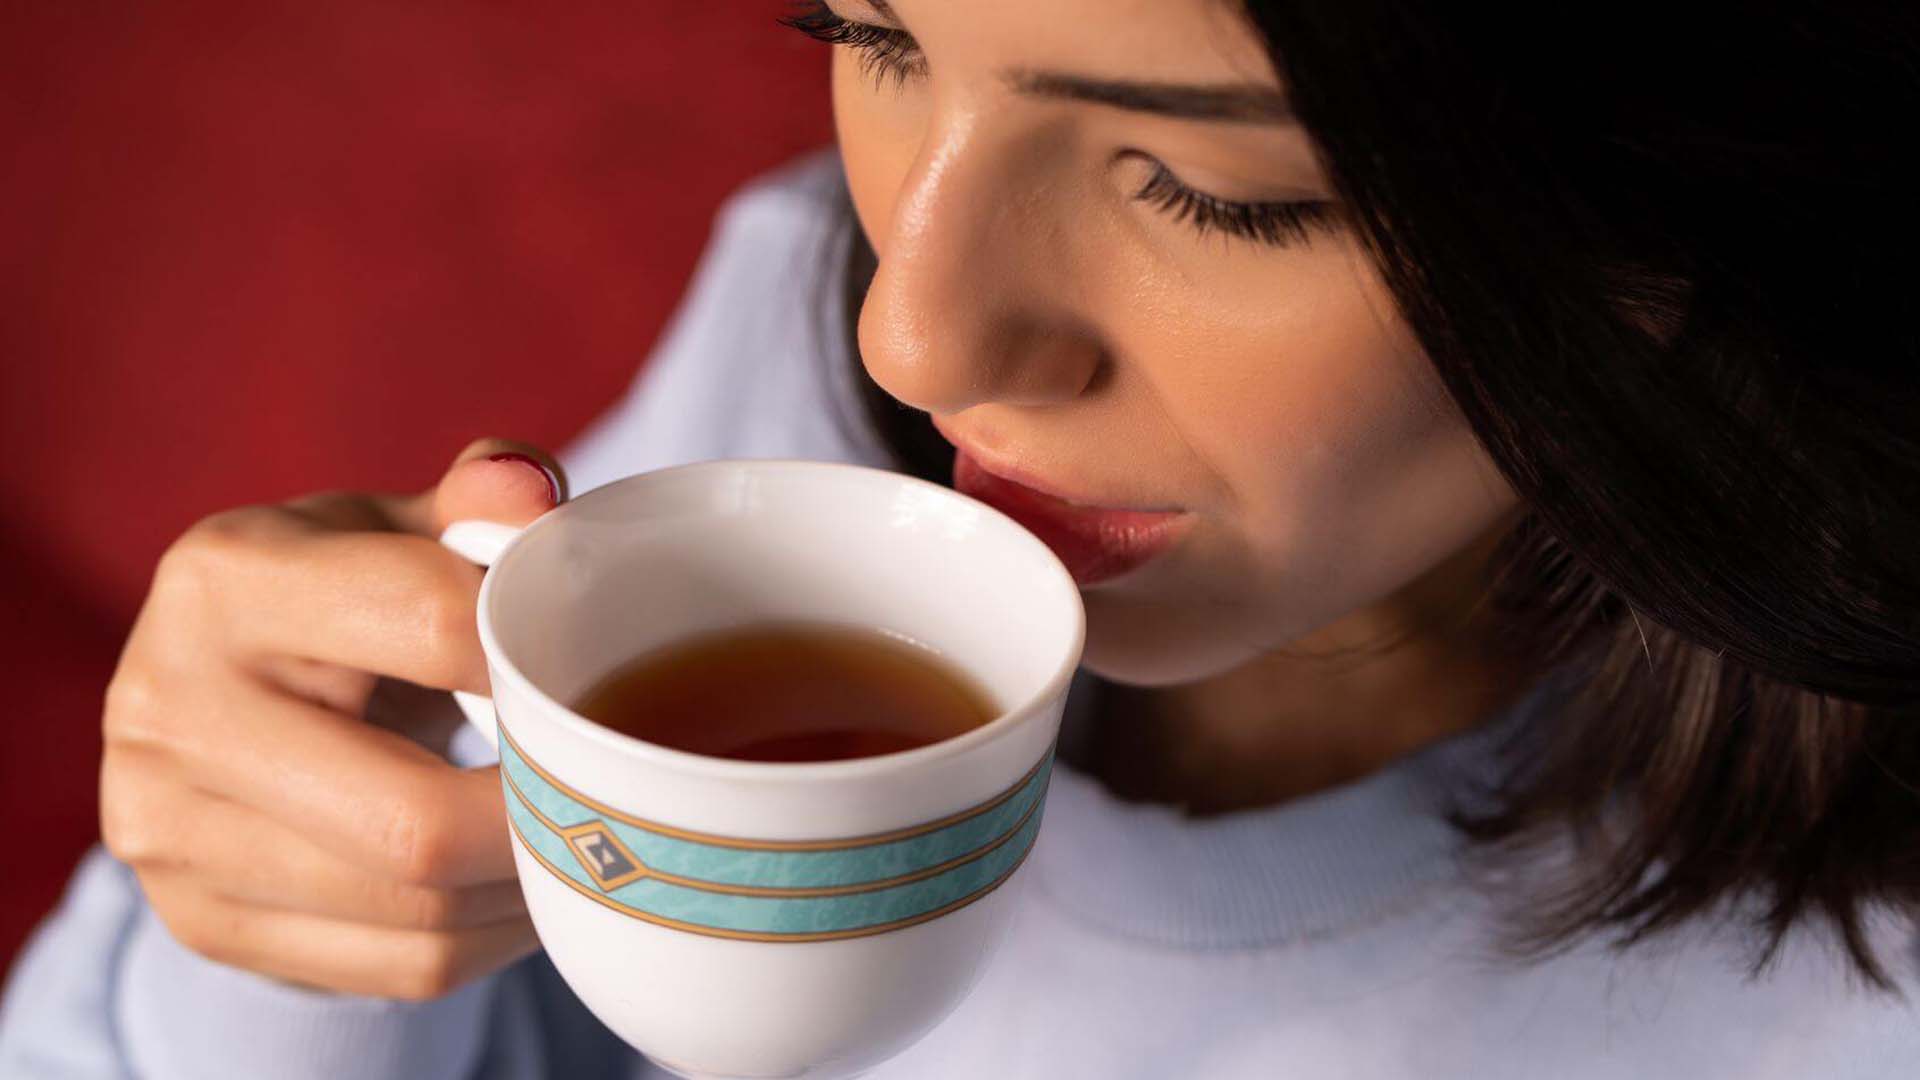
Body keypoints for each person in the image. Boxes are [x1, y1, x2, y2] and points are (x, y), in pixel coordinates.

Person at [4, 1, 1917, 1076]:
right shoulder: (789, 345)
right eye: (873, 32)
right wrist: (268, 937)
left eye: (1210, 188)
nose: (909, 335)